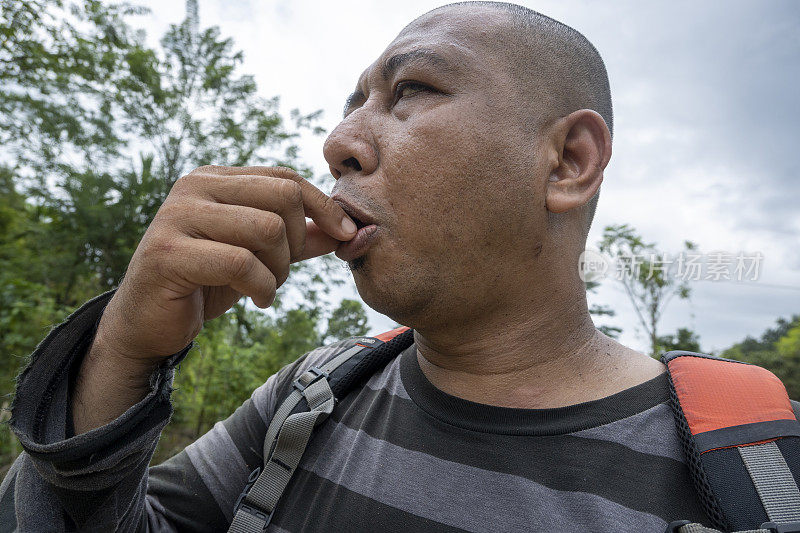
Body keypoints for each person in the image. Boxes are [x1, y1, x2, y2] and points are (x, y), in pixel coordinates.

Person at [3, 2, 798, 531]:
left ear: (568, 163)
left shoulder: (759, 476)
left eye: (410, 90)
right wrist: (123, 352)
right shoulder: (310, 397)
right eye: (352, 102)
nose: (340, 142)